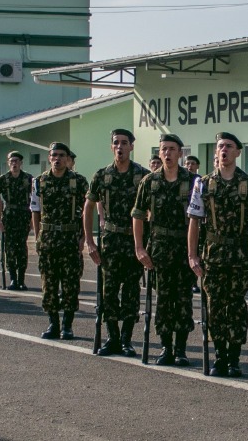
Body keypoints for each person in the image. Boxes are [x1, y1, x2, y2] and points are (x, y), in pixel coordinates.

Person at [188, 131, 248, 376]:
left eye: (229, 146)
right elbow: (195, 221)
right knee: (215, 306)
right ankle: (220, 355)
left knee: (236, 306)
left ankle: (235, 357)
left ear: (238, 152)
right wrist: (192, 255)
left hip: (240, 255)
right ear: (216, 152)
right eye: (220, 146)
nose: (224, 150)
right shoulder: (203, 183)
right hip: (213, 255)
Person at [133, 133, 199, 366]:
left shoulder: (193, 181)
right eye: (164, 149)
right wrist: (139, 247)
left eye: (172, 149)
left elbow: (200, 218)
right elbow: (138, 215)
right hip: (159, 249)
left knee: (183, 299)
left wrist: (196, 252)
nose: (168, 153)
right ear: (159, 153)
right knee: (162, 299)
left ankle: (180, 349)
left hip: (183, 248)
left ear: (180, 153)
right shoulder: (149, 182)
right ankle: (165, 347)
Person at [84, 130, 151, 357]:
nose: (120, 147)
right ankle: (112, 337)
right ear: (111, 147)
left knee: (131, 292)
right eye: (116, 143)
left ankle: (126, 339)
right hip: (110, 242)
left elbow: (151, 209)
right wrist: (90, 242)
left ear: (131, 146)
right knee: (109, 292)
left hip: (133, 242)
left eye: (124, 143)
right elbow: (89, 207)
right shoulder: (102, 175)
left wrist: (145, 243)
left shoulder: (143, 175)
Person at [30, 142, 88, 339]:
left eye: (61, 155)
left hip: (70, 240)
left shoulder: (79, 181)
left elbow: (87, 212)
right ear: (49, 157)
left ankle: (67, 325)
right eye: (54, 155)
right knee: (49, 285)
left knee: (71, 285)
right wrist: (37, 236)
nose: (57, 158)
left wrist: (84, 238)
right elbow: (35, 211)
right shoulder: (39, 181)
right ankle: (53, 324)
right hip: (48, 241)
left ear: (67, 158)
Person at [0, 151, 34, 290]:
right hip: (9, 217)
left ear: (21, 163)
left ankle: (21, 279)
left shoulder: (28, 178)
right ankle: (13, 279)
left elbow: (36, 198)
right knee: (9, 249)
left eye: (16, 161)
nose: (14, 163)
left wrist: (33, 218)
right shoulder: (3, 179)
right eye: (11, 161)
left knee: (22, 248)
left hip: (24, 216)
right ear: (8, 163)